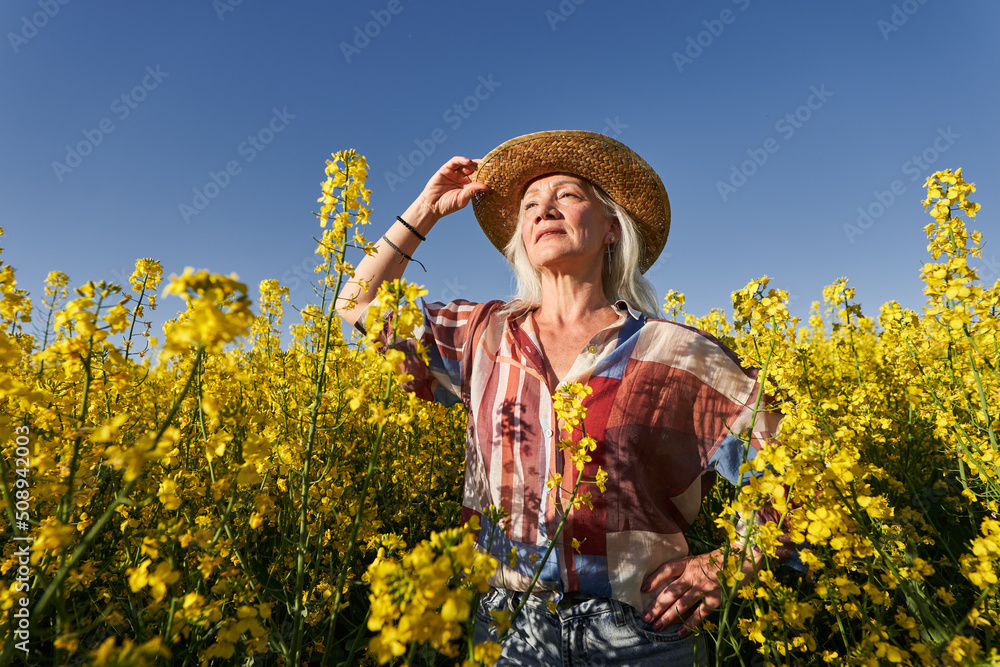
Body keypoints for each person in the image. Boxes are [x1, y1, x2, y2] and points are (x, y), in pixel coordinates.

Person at [337, 131, 788, 665]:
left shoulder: (678, 352)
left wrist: (731, 562)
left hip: (639, 632)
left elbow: (798, 467)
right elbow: (357, 302)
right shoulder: (480, 334)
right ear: (521, 240)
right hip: (508, 629)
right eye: (529, 205)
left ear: (612, 230)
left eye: (568, 196)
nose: (542, 208)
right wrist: (426, 210)